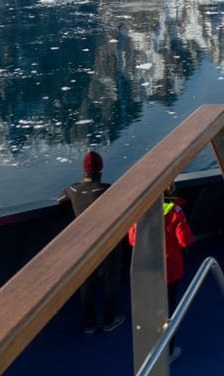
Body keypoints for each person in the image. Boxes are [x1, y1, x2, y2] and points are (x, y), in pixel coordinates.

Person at [59, 150, 124, 334]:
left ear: (84, 170)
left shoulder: (73, 190)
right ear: (100, 169)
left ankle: (90, 323)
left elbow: (60, 199)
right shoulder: (106, 189)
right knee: (111, 277)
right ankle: (110, 319)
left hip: (83, 243)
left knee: (87, 280)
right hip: (107, 240)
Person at [128, 184, 194, 363]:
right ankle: (168, 352)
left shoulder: (140, 211)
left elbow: (133, 239)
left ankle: (150, 350)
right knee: (167, 312)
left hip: (147, 270)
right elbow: (185, 240)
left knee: (150, 310)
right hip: (169, 271)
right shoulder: (174, 211)